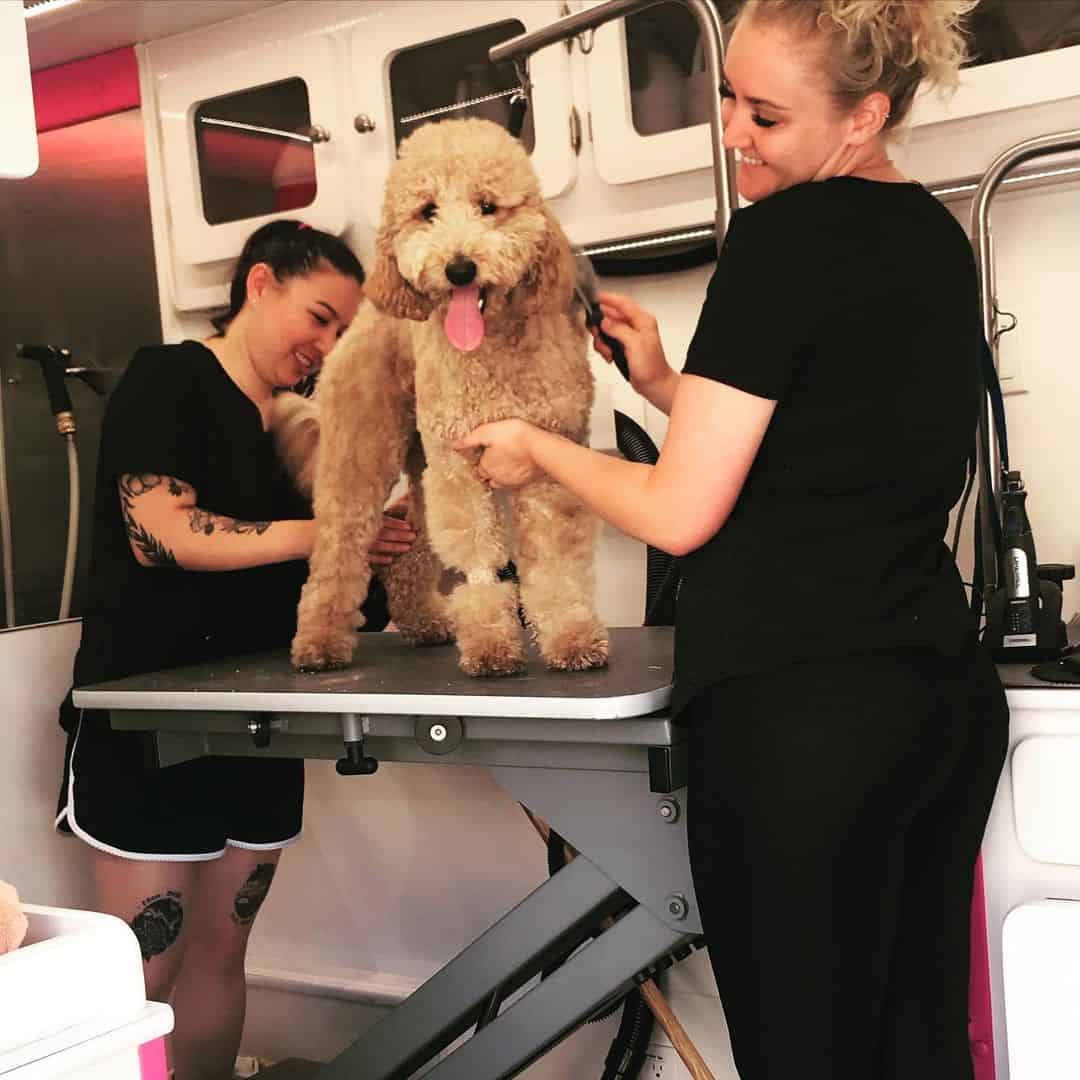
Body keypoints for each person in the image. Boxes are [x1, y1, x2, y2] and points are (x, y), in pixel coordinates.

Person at [454, 3, 1009, 1077]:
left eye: (766, 113)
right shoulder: (932, 234)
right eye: (728, 98)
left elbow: (679, 513)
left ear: (866, 118)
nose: (733, 132)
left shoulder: (785, 238)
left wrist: (538, 447)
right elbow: (827, 452)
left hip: (810, 723)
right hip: (937, 703)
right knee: (917, 1046)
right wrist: (664, 385)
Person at [55, 219, 415, 1080]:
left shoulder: (296, 429)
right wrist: (322, 532)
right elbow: (161, 533)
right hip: (146, 726)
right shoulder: (170, 378)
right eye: (318, 317)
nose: (325, 346)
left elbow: (327, 583)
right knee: (147, 971)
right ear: (260, 285)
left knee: (219, 954)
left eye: (341, 333)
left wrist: (371, 546)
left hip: (257, 726)